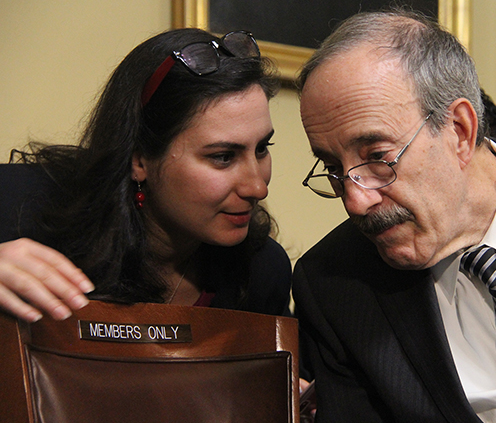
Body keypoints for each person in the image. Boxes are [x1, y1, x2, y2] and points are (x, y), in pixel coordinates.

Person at [293, 7, 496, 423]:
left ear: (459, 130)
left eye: (378, 158)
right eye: (332, 166)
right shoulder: (337, 287)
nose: (355, 200)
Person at [0, 27, 292, 323]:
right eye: (222, 157)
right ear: (138, 159)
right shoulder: (19, 209)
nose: (257, 187)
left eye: (261, 149)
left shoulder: (262, 272)